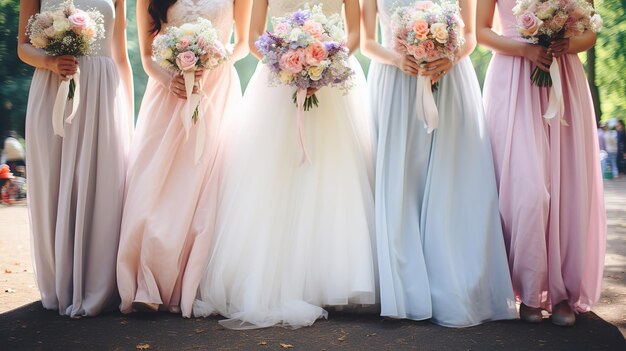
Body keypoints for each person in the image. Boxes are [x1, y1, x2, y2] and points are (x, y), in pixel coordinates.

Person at [193, 0, 377, 329]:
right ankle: (276, 278)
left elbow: (355, 33)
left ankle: (331, 279)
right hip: (277, 83)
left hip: (333, 82)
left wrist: (326, 58)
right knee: (274, 176)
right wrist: (285, 62)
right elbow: (253, 37)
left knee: (334, 173)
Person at [360, 0, 516, 327]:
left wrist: (449, 57)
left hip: (450, 80)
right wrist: (398, 59)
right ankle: (406, 290)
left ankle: (452, 282)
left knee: (451, 179)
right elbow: (367, 42)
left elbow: (471, 35)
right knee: (401, 183)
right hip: (395, 82)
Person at [116, 0, 250, 317]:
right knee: (154, 186)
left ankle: (197, 280)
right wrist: (168, 79)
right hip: (167, 92)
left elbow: (243, 42)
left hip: (216, 88)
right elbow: (147, 56)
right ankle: (147, 282)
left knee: (206, 185)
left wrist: (215, 60)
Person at [477, 0, 606, 326]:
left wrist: (567, 43)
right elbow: (480, 32)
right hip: (512, 78)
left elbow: (589, 32)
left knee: (568, 187)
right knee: (530, 190)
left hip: (564, 76)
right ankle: (530, 290)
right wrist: (526, 50)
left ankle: (561, 293)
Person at [17, 0, 133, 317]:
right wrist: (51, 62)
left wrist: (128, 114)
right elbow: (23, 48)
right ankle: (60, 284)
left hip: (104, 96)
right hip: (54, 88)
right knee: (54, 186)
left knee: (104, 186)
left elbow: (120, 55)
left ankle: (99, 285)